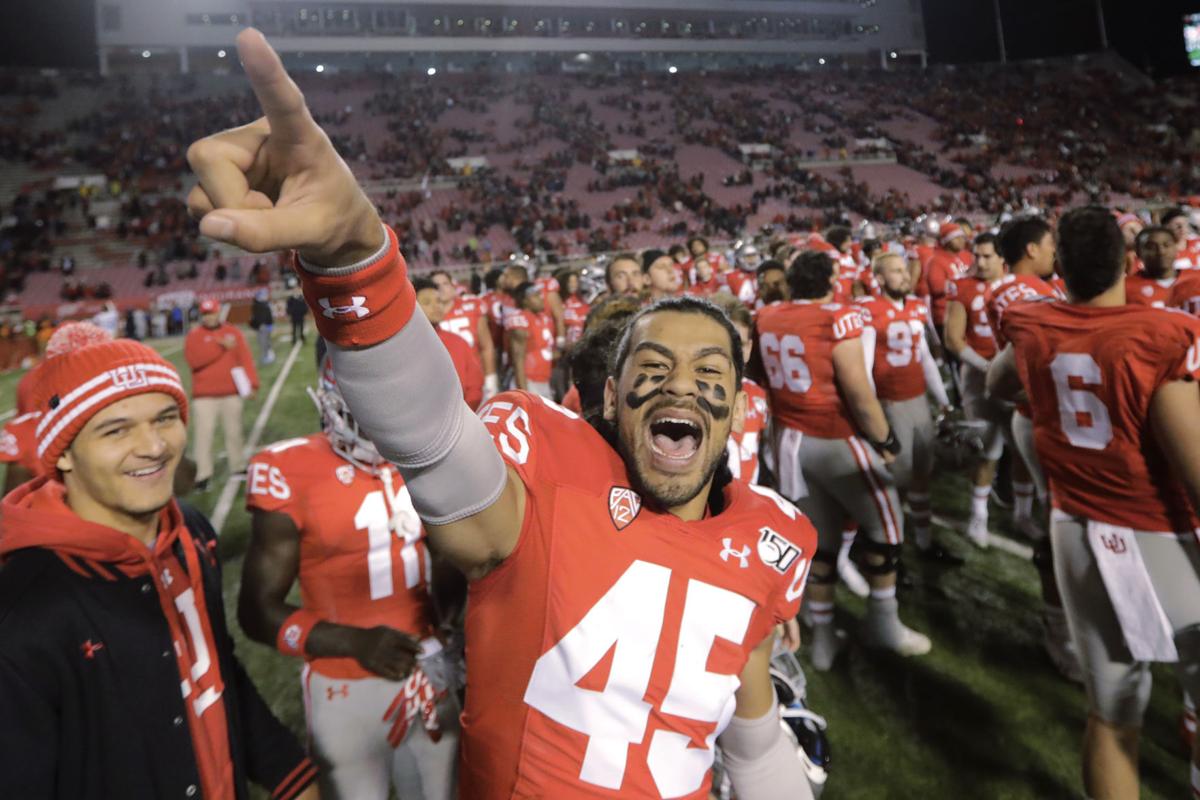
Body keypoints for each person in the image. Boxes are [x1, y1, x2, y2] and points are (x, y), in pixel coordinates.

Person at [186, 28, 817, 798]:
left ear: (739, 405)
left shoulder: (770, 536)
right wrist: (354, 255)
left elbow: (754, 747)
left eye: (709, 370)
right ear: (611, 399)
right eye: (652, 368)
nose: (681, 386)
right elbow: (433, 438)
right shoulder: (548, 485)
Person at [0, 338, 318, 800]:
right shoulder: (24, 606)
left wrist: (290, 772)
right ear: (63, 453)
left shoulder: (187, 529)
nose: (153, 446)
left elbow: (213, 671)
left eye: (165, 419)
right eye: (116, 430)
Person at [987, 205, 1200, 800]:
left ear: (1060, 266)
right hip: (1158, 534)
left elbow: (994, 384)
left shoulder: (1032, 323)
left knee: (1111, 713)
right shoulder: (1162, 334)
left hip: (1077, 530)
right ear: (1130, 263)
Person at [240, 362, 459, 800]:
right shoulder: (288, 468)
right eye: (371, 412)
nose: (385, 427)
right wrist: (354, 642)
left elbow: (450, 559)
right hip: (343, 680)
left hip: (428, 667)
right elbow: (256, 613)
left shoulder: (427, 457)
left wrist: (457, 624)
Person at [756, 250, 930, 671]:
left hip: (790, 443)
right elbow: (858, 392)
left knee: (820, 540)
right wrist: (885, 439)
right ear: (831, 280)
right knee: (887, 525)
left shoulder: (768, 316)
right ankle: (883, 624)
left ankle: (823, 640)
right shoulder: (837, 318)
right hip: (834, 437)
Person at [857, 253, 950, 555]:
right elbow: (865, 367)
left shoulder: (914, 306)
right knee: (896, 478)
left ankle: (923, 541)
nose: (904, 275)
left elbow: (923, 357)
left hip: (918, 400)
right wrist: (873, 414)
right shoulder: (870, 310)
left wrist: (944, 401)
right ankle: (888, 543)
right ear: (880, 279)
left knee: (923, 473)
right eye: (895, 271)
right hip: (890, 403)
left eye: (904, 270)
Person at [943, 233, 1007, 545]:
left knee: (1025, 444)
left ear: (1002, 257)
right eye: (976, 256)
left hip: (1016, 375)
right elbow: (953, 339)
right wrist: (988, 368)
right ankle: (978, 513)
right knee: (987, 446)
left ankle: (1019, 506)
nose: (979, 262)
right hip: (979, 373)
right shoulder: (963, 287)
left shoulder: (1019, 284)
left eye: (987, 256)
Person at [185, 298, 258, 492]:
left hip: (231, 393)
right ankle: (203, 475)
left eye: (212, 312)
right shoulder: (195, 335)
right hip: (204, 396)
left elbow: (245, 358)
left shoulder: (233, 332)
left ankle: (238, 466)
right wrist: (220, 346)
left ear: (219, 312)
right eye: (205, 314)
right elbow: (195, 360)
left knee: (234, 432)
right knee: (203, 436)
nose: (209, 317)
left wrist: (252, 384)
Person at [414, 278, 484, 410]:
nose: (436, 306)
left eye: (439, 301)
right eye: (427, 302)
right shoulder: (403, 347)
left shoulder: (459, 342)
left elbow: (475, 388)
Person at [432, 269, 499, 400]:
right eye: (436, 285)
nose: (441, 288)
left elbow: (486, 347)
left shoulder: (472, 306)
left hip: (474, 379)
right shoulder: (428, 315)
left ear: (453, 286)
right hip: (443, 384)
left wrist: (491, 378)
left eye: (445, 283)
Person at [1127, 226, 1200, 310]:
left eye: (1167, 245)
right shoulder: (1127, 288)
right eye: (1151, 247)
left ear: (1176, 248)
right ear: (1138, 252)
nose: (1161, 251)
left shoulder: (1197, 277)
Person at [504, 281, 555, 399]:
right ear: (524, 300)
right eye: (536, 295)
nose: (541, 298)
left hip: (543, 379)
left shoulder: (542, 317)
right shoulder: (521, 319)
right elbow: (518, 358)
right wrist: (524, 393)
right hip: (529, 381)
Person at [249, 288, 276, 364]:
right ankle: (266, 355)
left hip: (265, 325)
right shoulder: (258, 305)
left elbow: (268, 316)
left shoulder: (264, 304)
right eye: (264, 295)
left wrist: (270, 324)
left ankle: (267, 356)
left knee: (265, 341)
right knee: (263, 341)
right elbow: (258, 317)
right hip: (262, 326)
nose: (266, 296)